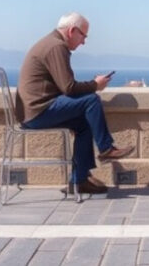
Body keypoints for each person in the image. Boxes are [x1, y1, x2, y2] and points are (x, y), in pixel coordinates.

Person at [16, 12, 134, 195]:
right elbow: (69, 88)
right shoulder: (57, 46)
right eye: (83, 36)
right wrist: (95, 85)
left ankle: (79, 181)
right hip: (38, 112)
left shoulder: (50, 43)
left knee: (84, 125)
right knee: (92, 100)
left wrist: (92, 85)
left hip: (33, 111)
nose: (83, 42)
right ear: (72, 31)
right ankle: (106, 149)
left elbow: (64, 87)